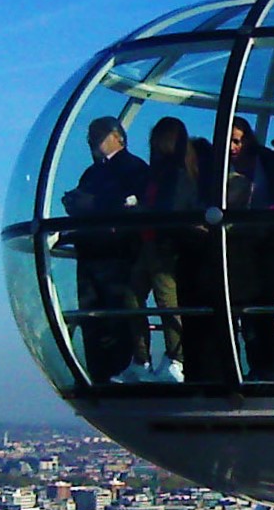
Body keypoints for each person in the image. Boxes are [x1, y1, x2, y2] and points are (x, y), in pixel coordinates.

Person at [60, 117, 149, 383]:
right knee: (93, 318)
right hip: (93, 255)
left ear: (118, 136)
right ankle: (99, 374)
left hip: (115, 257)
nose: (91, 140)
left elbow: (133, 207)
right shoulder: (94, 172)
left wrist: (93, 204)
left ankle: (115, 372)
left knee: (114, 318)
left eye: (97, 135)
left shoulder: (134, 168)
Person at [121, 117, 202, 383]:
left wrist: (140, 210)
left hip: (163, 246)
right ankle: (142, 359)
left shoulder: (176, 173)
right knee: (134, 297)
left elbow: (171, 208)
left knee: (167, 302)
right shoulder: (164, 172)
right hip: (150, 243)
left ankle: (175, 360)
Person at [227, 117, 274, 379]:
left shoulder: (266, 162)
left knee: (258, 311)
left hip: (261, 247)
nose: (232, 147)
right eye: (229, 140)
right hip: (234, 248)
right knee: (239, 311)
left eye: (237, 140)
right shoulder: (223, 166)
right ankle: (239, 369)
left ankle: (263, 367)